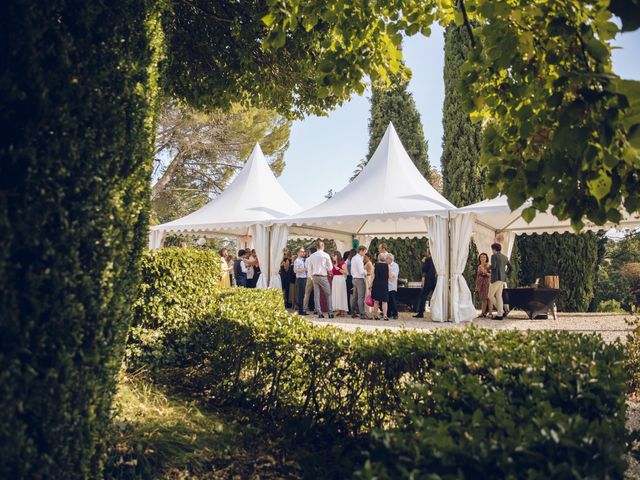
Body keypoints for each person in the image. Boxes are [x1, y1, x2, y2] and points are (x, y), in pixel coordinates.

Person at [305, 241, 334, 319]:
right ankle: (330, 312)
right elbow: (330, 268)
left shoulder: (312, 256)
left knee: (316, 295)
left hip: (314, 276)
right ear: (323, 246)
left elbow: (309, 268)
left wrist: (310, 276)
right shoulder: (326, 255)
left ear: (316, 247)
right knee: (328, 294)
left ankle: (319, 312)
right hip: (323, 276)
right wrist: (326, 268)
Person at [488, 243, 512, 320]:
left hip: (496, 278)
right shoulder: (505, 257)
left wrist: (488, 267)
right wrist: (506, 274)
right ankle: (500, 314)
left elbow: (494, 266)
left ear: (494, 249)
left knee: (490, 295)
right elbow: (511, 268)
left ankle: (500, 311)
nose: (492, 250)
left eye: (492, 249)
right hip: (502, 279)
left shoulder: (494, 256)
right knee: (498, 296)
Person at [414, 249, 437, 318]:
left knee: (423, 295)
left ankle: (421, 312)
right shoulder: (436, 260)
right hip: (435, 280)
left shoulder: (428, 259)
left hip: (429, 280)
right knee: (435, 295)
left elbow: (424, 269)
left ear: (428, 253)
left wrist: (423, 262)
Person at [350, 245, 368, 319]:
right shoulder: (359, 259)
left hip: (354, 278)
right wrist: (366, 272)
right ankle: (362, 314)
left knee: (355, 297)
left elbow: (351, 270)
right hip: (360, 279)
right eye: (364, 252)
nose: (365, 253)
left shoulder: (353, 258)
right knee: (361, 297)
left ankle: (353, 312)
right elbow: (361, 271)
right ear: (361, 251)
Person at [371, 252, 390, 320]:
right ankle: (385, 315)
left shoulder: (374, 265)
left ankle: (376, 315)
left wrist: (370, 284)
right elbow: (390, 276)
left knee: (376, 301)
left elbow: (372, 276)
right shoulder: (388, 266)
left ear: (378, 258)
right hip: (384, 284)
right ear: (385, 259)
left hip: (376, 284)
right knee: (384, 301)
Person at [331, 251, 349, 316]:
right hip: (335, 279)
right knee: (336, 294)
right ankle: (338, 309)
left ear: (337, 256)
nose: (333, 257)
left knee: (341, 294)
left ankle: (343, 310)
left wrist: (339, 269)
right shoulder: (334, 264)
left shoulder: (342, 263)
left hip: (341, 280)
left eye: (334, 256)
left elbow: (346, 272)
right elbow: (333, 273)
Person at [475, 253, 491, 318]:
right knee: (483, 298)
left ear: (486, 258)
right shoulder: (479, 266)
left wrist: (485, 273)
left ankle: (490, 313)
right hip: (480, 283)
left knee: (488, 298)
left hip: (487, 282)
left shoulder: (488, 265)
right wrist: (477, 285)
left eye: (484, 257)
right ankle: (483, 313)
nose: (482, 258)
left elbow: (491, 274)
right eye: (481, 257)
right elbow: (477, 276)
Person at [293, 247, 308, 316]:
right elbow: (295, 270)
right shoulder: (297, 261)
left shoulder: (303, 260)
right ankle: (300, 311)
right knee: (300, 295)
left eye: (303, 251)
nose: (303, 253)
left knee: (303, 295)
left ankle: (302, 310)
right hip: (300, 279)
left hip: (304, 278)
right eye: (301, 251)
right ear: (298, 253)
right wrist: (304, 269)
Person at [303, 247, 317, 312]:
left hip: (309, 277)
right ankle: (316, 309)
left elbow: (306, 268)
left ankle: (304, 308)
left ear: (310, 252)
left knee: (307, 293)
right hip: (316, 276)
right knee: (316, 293)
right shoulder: (317, 258)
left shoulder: (308, 259)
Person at [386, 253, 399, 319]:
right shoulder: (386, 265)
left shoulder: (395, 265)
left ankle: (395, 314)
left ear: (390, 259)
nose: (386, 260)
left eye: (387, 259)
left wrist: (389, 273)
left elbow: (394, 274)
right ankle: (388, 313)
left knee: (393, 300)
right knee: (387, 300)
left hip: (392, 285)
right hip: (386, 285)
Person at [344, 250, 354, 315]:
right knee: (349, 294)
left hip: (349, 278)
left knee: (350, 294)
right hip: (349, 278)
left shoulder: (348, 261)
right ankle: (349, 309)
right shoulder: (348, 262)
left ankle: (350, 308)